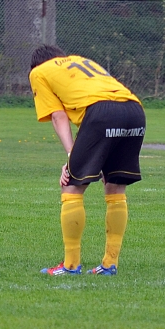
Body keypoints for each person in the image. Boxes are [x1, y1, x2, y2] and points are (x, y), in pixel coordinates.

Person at [29, 45, 145, 276]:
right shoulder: (80, 60)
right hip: (134, 110)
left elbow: (58, 115)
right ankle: (110, 264)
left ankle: (71, 265)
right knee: (115, 188)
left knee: (71, 185)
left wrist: (72, 155)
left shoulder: (39, 72)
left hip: (101, 112)